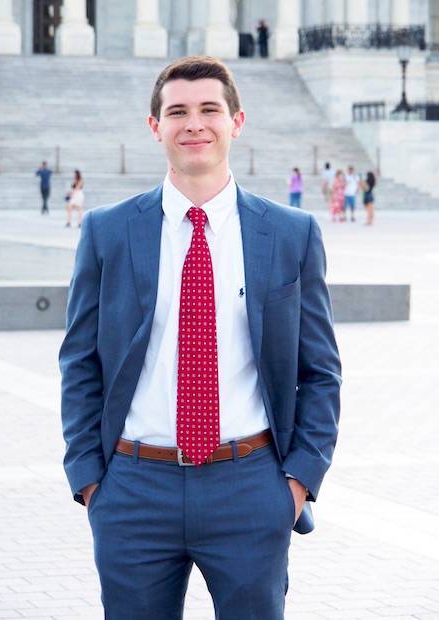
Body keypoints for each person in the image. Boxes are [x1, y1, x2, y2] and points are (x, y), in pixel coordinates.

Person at [59, 56, 341, 619]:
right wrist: (91, 481)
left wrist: (298, 481)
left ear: (236, 122)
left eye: (210, 110)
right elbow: (80, 362)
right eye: (177, 112)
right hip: (134, 489)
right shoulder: (108, 231)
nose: (194, 124)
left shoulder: (291, 234)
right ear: (155, 126)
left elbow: (320, 370)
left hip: (250, 487)